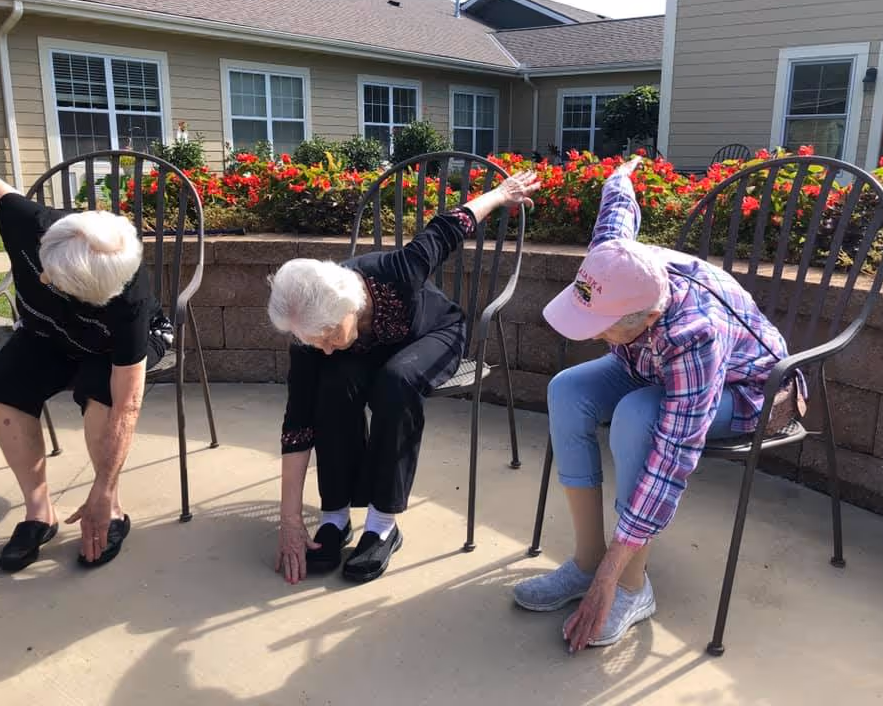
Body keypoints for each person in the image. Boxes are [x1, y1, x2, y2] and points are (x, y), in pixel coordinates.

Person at [513, 157, 805, 652]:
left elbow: (672, 458)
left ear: (645, 316)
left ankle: (631, 586)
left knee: (638, 417)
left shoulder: (697, 334)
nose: (592, 332)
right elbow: (617, 215)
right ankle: (585, 561)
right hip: (650, 362)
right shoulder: (616, 261)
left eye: (603, 324)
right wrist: (620, 175)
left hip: (748, 390)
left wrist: (614, 572)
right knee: (567, 390)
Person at [267, 170, 540, 585]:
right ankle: (335, 516)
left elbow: (450, 225)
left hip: (436, 335)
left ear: (347, 308)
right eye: (312, 341)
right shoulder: (312, 331)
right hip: (373, 349)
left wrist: (502, 194)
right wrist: (289, 520)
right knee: (331, 384)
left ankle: (382, 524)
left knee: (395, 383)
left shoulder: (398, 270)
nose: (320, 347)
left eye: (327, 336)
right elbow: (298, 421)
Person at [0, 152, 171, 572]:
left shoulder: (128, 302)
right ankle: (39, 514)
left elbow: (127, 403)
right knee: (3, 387)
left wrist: (102, 486)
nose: (44, 282)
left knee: (101, 394)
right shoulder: (25, 221)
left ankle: (111, 509)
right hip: (45, 335)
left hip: (106, 347)